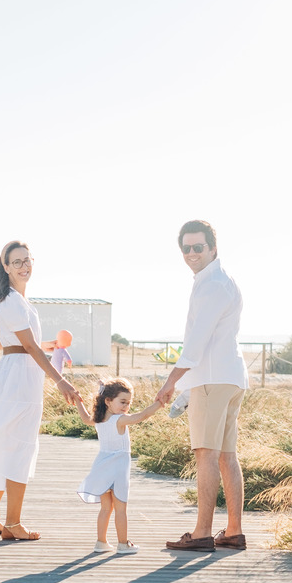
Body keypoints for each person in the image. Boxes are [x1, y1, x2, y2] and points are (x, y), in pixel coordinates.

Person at [0, 240, 80, 541]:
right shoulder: (11, 300)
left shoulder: (13, 300)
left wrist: (48, 346)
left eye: (27, 260)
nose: (24, 266)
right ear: (6, 267)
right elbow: (27, 346)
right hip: (20, 378)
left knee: (6, 443)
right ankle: (12, 523)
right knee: (19, 446)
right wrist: (59, 380)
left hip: (14, 373)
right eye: (17, 262)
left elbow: (6, 342)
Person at [155, 220, 248, 552]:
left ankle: (201, 533)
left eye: (198, 247)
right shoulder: (222, 281)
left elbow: (195, 345)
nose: (191, 253)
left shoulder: (212, 286)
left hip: (212, 378)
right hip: (230, 376)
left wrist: (170, 383)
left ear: (213, 248)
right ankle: (234, 531)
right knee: (226, 456)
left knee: (206, 455)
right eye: (186, 248)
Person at [74, 378, 164, 555]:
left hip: (102, 467)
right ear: (108, 401)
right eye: (122, 402)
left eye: (128, 403)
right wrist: (159, 403)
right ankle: (123, 544)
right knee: (121, 508)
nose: (126, 407)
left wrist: (78, 401)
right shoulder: (119, 420)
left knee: (106, 508)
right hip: (118, 470)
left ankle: (101, 542)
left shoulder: (99, 420)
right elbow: (142, 416)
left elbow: (85, 419)